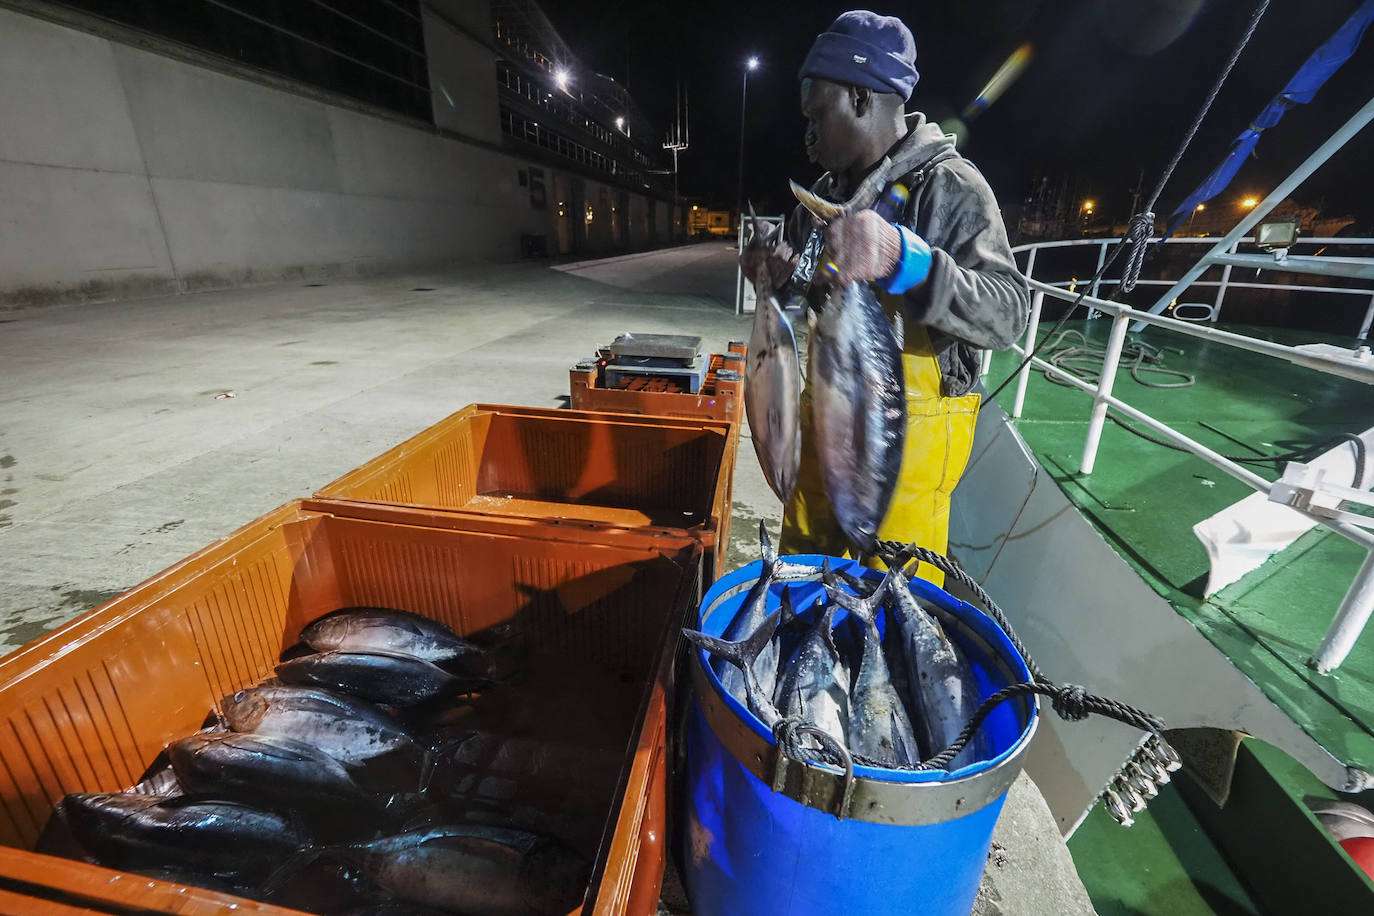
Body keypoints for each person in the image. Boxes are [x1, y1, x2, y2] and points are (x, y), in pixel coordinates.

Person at [742, 10, 1029, 584]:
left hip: (905, 460)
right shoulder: (822, 199)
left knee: (892, 613)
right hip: (827, 426)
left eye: (816, 113)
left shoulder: (952, 187)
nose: (808, 133)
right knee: (801, 595)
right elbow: (803, 295)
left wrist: (904, 259)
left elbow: (1008, 314)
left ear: (859, 97)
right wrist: (774, 275)